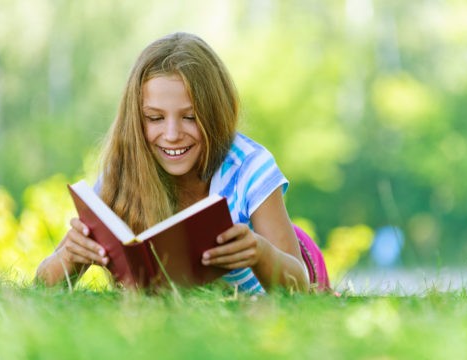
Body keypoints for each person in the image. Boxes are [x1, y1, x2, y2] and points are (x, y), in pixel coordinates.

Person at [35, 32, 329, 294]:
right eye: (155, 118)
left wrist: (260, 252)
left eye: (190, 117)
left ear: (215, 114)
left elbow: (301, 286)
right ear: (137, 120)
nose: (172, 135)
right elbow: (41, 285)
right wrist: (69, 257)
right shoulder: (123, 170)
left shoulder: (249, 167)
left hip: (293, 256)